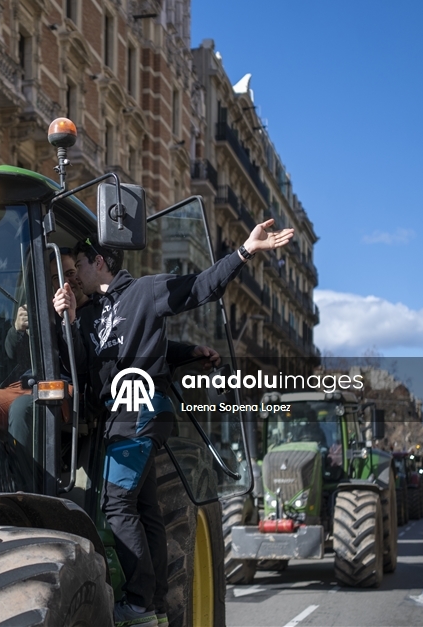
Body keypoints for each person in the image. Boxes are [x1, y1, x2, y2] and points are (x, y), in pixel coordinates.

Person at [53, 218, 293, 627]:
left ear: (100, 262)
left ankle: (141, 601)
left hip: (141, 408)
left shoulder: (145, 292)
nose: (74, 277)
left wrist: (245, 251)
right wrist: (70, 320)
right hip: (118, 415)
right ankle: (159, 605)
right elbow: (95, 364)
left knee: (116, 503)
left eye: (79, 267)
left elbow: (202, 287)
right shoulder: (91, 313)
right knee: (145, 509)